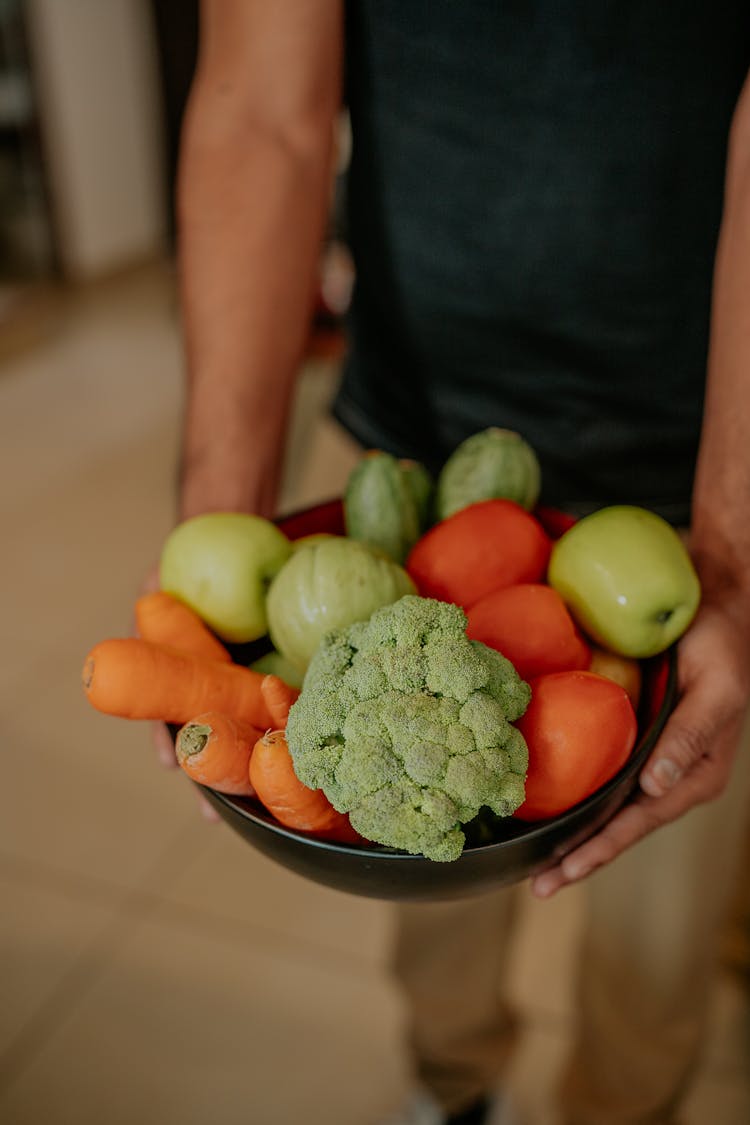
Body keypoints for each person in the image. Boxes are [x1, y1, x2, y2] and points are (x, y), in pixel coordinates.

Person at [162, 3, 750, 1123]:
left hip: (702, 468)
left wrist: (734, 550)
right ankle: (454, 1087)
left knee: (661, 933)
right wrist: (209, 545)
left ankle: (628, 1109)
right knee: (426, 869)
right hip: (410, 453)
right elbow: (261, 113)